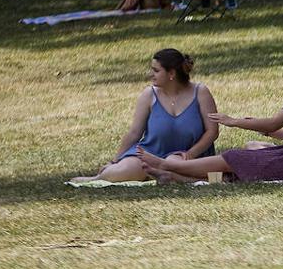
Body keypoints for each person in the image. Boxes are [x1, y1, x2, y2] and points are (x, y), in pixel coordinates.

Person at [138, 35, 283, 182]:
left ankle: (169, 166)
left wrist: (235, 121)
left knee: (234, 158)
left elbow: (273, 122)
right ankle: (177, 176)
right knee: (239, 169)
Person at [70, 49, 218, 183]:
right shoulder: (149, 94)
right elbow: (134, 133)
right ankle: (96, 179)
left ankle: (167, 172)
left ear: (171, 74)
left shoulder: (200, 92)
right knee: (121, 172)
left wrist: (191, 154)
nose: (150, 74)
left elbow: (212, 131)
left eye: (156, 70)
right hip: (151, 154)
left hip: (186, 157)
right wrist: (114, 161)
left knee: (176, 163)